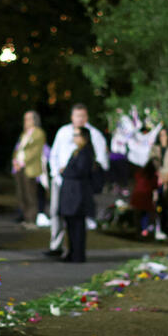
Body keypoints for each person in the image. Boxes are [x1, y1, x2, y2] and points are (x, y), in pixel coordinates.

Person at [47, 104, 108, 257]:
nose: (79, 119)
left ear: (86, 117)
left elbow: (100, 161)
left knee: (76, 219)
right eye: (76, 116)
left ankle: (75, 251)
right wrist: (56, 173)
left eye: (82, 116)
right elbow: (54, 154)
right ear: (72, 117)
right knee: (57, 213)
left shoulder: (93, 135)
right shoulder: (63, 132)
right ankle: (57, 245)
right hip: (62, 181)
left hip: (78, 184)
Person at [58, 127, 97, 262]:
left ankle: (78, 255)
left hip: (78, 194)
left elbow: (80, 171)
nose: (74, 138)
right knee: (70, 225)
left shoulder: (85, 153)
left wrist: (64, 172)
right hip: (71, 193)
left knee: (77, 226)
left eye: (76, 135)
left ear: (84, 138)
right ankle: (72, 252)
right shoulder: (77, 152)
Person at [12, 110, 46, 227]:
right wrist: (15, 161)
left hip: (29, 168)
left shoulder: (38, 133)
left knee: (31, 195)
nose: (26, 121)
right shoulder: (24, 134)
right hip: (19, 168)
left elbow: (35, 151)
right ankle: (25, 218)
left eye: (28, 119)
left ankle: (31, 220)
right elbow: (19, 149)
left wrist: (23, 162)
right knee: (22, 194)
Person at [149, 129, 168, 240]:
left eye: (164, 135)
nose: (162, 137)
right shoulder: (155, 149)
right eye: (161, 135)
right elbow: (152, 161)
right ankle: (155, 227)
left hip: (167, 178)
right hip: (157, 178)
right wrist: (158, 172)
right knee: (156, 204)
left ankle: (166, 227)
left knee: (166, 204)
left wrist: (165, 173)